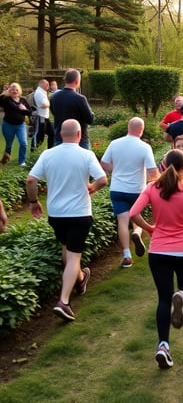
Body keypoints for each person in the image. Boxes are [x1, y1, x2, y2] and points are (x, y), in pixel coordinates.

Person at [129, 149, 183, 368]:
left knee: (163, 299)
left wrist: (149, 229)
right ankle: (182, 295)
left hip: (158, 251)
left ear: (164, 164)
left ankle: (163, 346)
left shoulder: (152, 188)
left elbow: (132, 214)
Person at [26, 119, 108, 321]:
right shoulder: (86, 154)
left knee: (67, 248)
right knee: (73, 257)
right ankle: (63, 301)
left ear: (61, 134)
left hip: (56, 215)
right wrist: (92, 189)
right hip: (79, 213)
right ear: (79, 135)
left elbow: (30, 180)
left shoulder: (48, 154)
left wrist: (34, 201)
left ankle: (80, 279)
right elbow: (103, 179)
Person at [100, 117, 159, 269]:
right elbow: (152, 171)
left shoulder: (115, 143)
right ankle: (138, 232)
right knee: (137, 217)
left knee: (122, 220)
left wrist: (117, 171)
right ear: (142, 130)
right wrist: (159, 182)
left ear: (128, 127)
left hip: (117, 188)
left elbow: (104, 163)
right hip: (136, 190)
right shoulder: (144, 147)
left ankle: (127, 256)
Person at [50, 69, 94, 149]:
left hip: (60, 137)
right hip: (79, 139)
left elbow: (54, 112)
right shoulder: (80, 99)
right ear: (77, 81)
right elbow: (90, 119)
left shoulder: (54, 97)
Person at [0, 82, 33, 166]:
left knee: (23, 143)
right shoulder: (6, 99)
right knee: (9, 145)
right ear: (10, 91)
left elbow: (30, 113)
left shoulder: (23, 100)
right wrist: (3, 93)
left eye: (17, 89)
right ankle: (5, 160)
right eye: (13, 90)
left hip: (20, 126)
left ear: (19, 91)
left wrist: (24, 109)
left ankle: (21, 161)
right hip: (8, 125)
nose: (15, 91)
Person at [31, 78, 54, 151]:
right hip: (40, 117)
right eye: (46, 84)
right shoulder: (39, 93)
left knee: (52, 133)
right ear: (41, 84)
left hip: (45, 117)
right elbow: (43, 105)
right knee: (39, 136)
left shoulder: (43, 92)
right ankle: (33, 151)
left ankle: (50, 151)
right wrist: (49, 104)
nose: (48, 85)